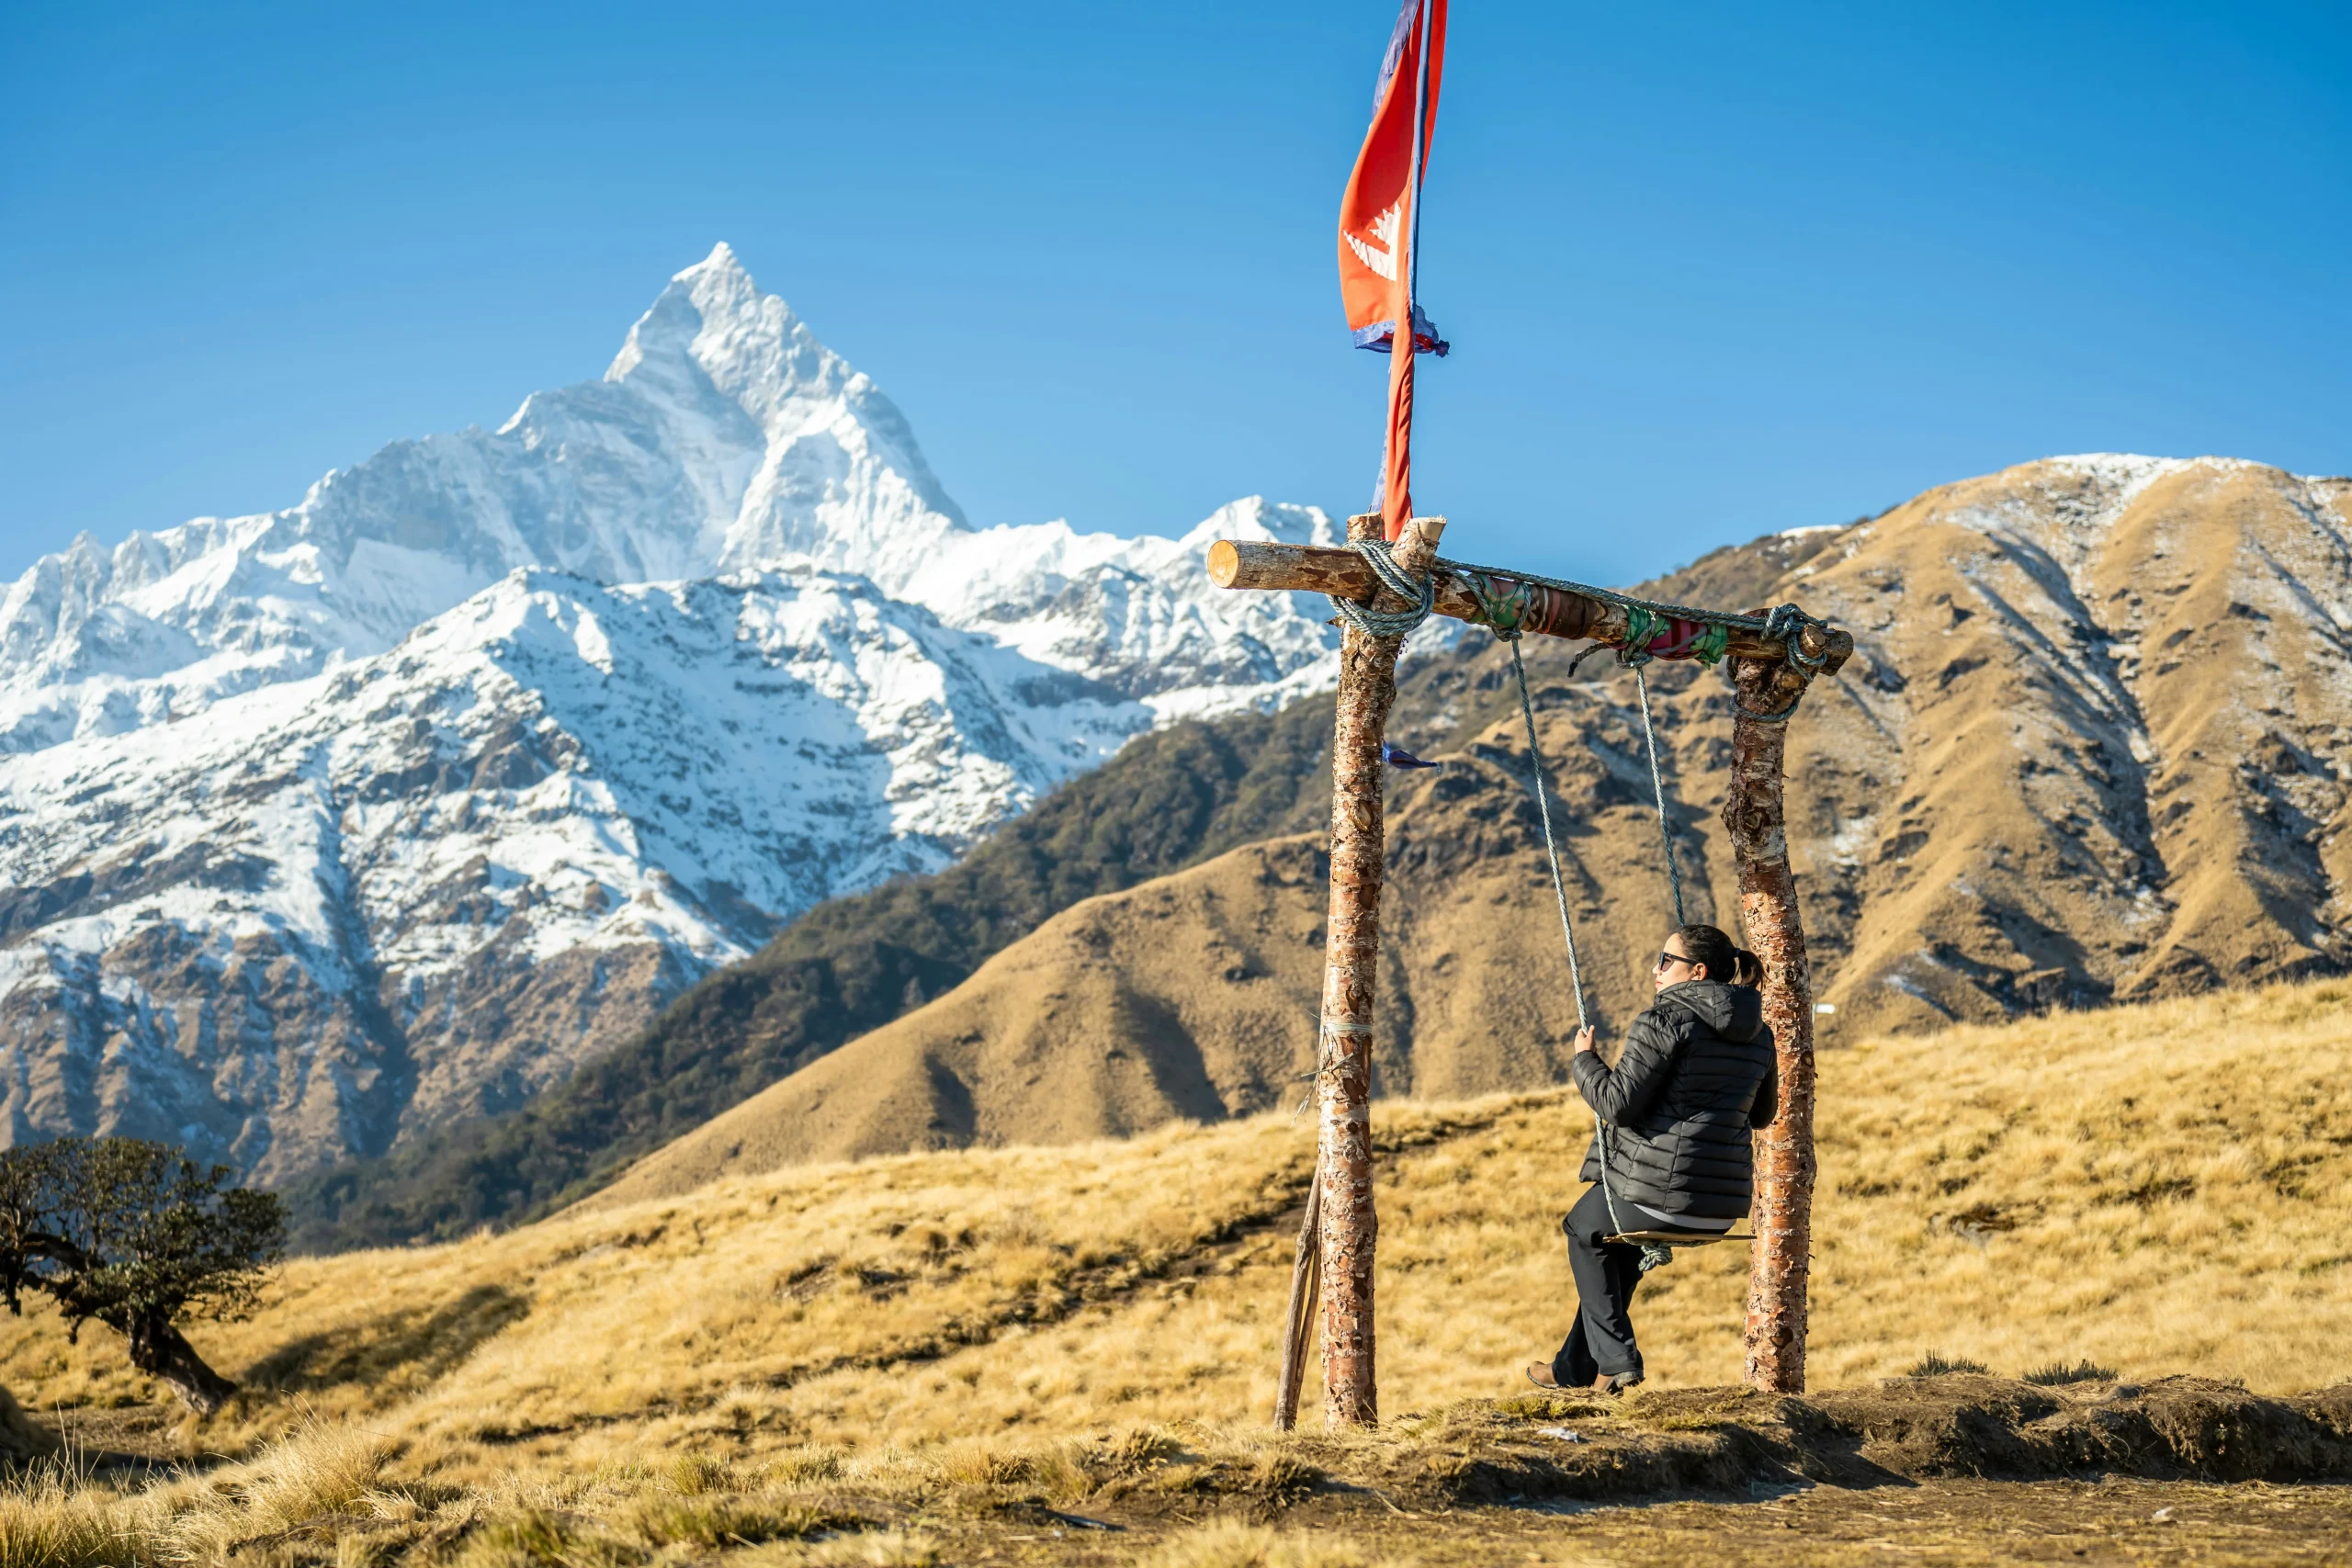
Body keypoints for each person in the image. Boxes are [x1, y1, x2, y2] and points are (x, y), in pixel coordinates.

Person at [1524, 924, 1778, 1393]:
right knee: (1615, 1257)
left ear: (1696, 972)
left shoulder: (1662, 1023)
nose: (1654, 969)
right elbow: (1762, 1115)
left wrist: (1585, 1060)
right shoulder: (1759, 1035)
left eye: (1665, 961)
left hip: (1664, 1196)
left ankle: (1618, 1360)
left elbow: (1616, 1104)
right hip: (1719, 1209)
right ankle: (1575, 1372)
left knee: (1583, 1229)